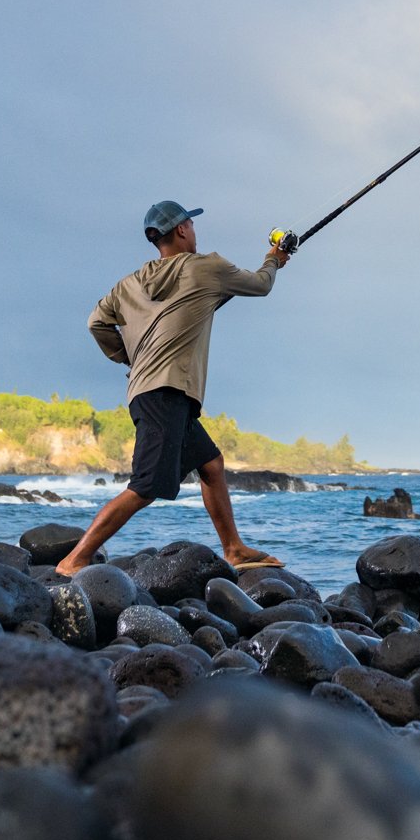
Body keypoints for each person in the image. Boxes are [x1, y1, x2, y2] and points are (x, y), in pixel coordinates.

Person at [55, 199, 292, 577]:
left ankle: (233, 549)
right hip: (166, 394)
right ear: (181, 230)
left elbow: (95, 322)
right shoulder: (206, 268)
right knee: (145, 486)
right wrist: (275, 259)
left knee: (211, 464)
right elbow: (260, 284)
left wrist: (130, 357)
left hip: (152, 392)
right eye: (191, 225)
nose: (195, 231)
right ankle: (75, 559)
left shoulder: (129, 284)